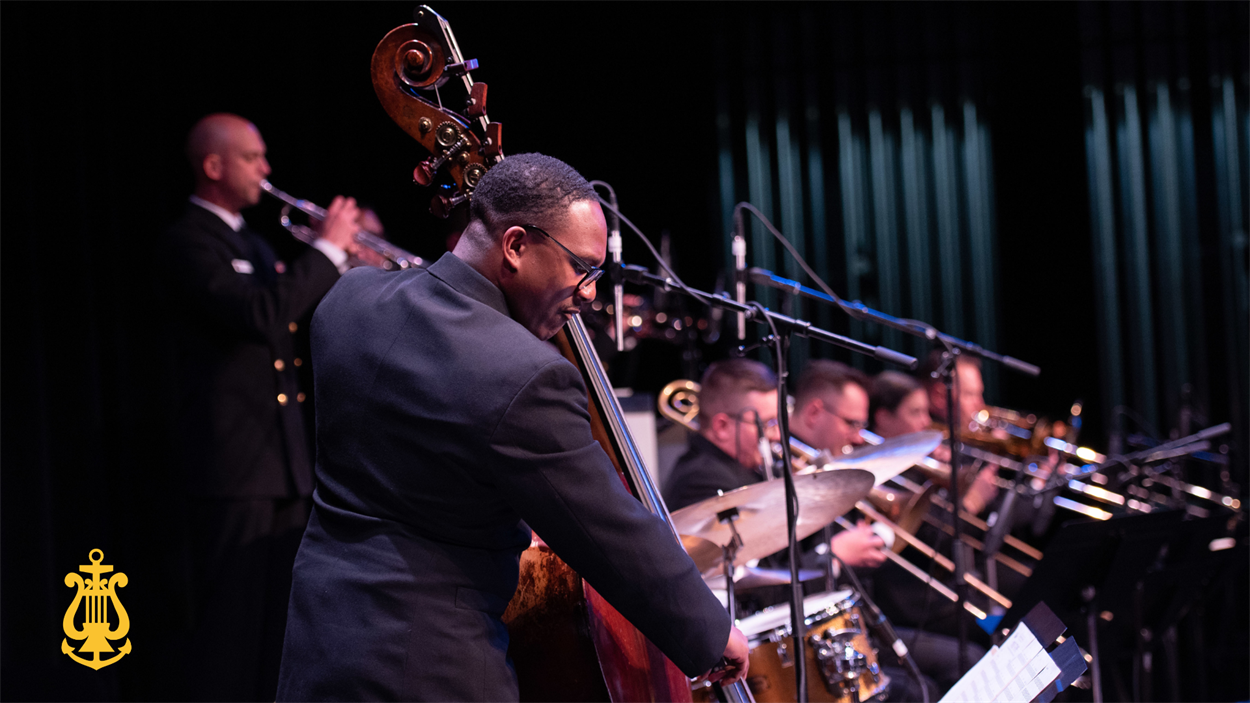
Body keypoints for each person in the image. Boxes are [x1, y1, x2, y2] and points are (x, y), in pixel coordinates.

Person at [277, 153, 747, 702]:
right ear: (517, 245)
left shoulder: (348, 300)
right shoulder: (524, 373)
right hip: (430, 663)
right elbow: (607, 529)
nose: (589, 292)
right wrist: (711, 632)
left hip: (318, 637)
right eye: (582, 267)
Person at [160, 113, 360, 702]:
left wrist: (347, 267)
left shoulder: (252, 241)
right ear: (213, 166)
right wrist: (326, 249)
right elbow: (260, 314)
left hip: (283, 463)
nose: (266, 169)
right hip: (235, 467)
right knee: (232, 628)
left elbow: (297, 317)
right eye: (252, 157)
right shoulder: (189, 241)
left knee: (279, 629)